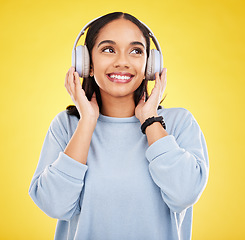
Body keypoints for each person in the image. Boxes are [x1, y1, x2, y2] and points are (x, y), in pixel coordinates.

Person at [29, 12, 209, 240]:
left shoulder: (179, 123)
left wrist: (150, 120)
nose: (122, 61)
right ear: (87, 64)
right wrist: (87, 122)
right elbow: (55, 205)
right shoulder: (66, 126)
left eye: (136, 51)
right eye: (108, 49)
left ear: (150, 65)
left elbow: (184, 194)